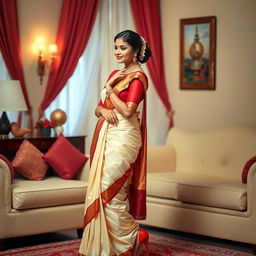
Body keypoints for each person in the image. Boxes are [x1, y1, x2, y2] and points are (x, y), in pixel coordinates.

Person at [79, 30, 151, 256]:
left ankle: (131, 238)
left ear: (136, 51)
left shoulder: (138, 78)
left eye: (123, 48)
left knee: (112, 191)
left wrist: (111, 92)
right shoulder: (115, 73)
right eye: (116, 47)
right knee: (101, 189)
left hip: (124, 137)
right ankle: (107, 247)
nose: (117, 52)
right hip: (107, 133)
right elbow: (98, 108)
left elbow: (128, 112)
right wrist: (102, 108)